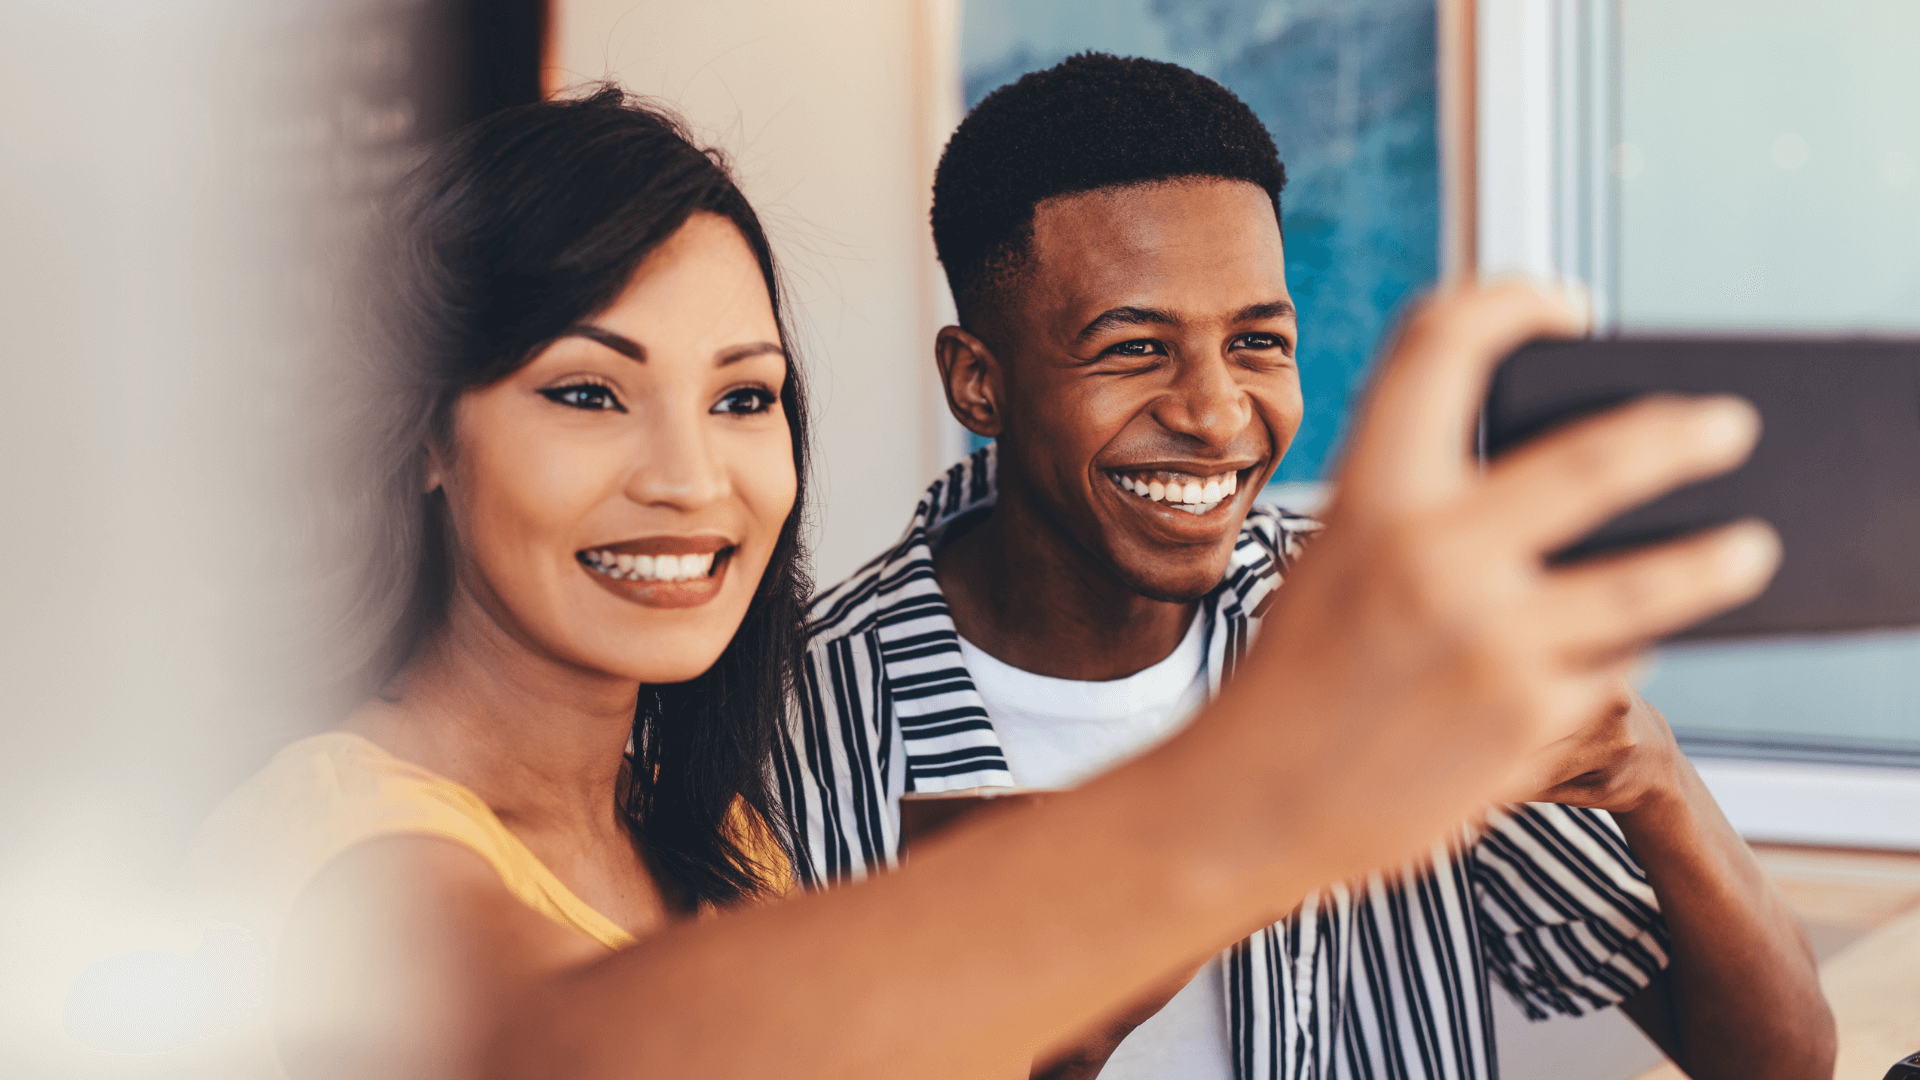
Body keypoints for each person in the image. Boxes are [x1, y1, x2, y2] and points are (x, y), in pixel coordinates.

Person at [188, 86, 1787, 1080]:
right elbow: (572, 1053)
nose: (690, 477)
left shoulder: (694, 817)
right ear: (422, 438)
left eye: (744, 397)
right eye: (587, 392)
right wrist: (1276, 787)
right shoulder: (354, 847)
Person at [780, 54, 1833, 1080]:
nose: (1216, 414)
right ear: (977, 385)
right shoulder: (797, 718)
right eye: (1135, 348)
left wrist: (1650, 772)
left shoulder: (1391, 632)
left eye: (1257, 343)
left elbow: (1783, 1064)